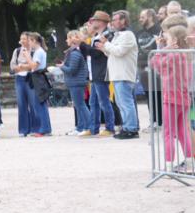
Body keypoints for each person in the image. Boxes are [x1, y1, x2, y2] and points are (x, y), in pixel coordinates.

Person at [150, 25, 193, 171]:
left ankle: (168, 165)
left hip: (172, 99)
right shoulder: (185, 55)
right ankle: (189, 162)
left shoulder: (173, 55)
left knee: (168, 133)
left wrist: (160, 49)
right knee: (183, 131)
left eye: (167, 39)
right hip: (184, 98)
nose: (165, 41)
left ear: (174, 40)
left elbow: (155, 64)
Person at [97, 10, 139, 139]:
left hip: (124, 74)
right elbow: (112, 53)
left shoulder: (128, 35)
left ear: (123, 21)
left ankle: (131, 129)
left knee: (126, 103)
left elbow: (119, 51)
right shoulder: (117, 35)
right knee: (121, 103)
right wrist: (104, 47)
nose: (112, 22)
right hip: (116, 74)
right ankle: (126, 127)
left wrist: (106, 44)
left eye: (115, 19)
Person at [78, 12, 117, 137]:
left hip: (102, 71)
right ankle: (93, 128)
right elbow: (90, 53)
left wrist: (82, 43)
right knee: (93, 102)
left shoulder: (107, 34)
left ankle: (110, 127)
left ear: (100, 22)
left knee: (104, 101)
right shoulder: (97, 35)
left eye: (94, 20)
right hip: (94, 72)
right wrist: (83, 44)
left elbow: (96, 53)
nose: (91, 23)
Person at [58, 30, 91, 136]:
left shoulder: (75, 54)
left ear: (73, 39)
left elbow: (72, 70)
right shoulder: (73, 53)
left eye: (68, 38)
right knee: (78, 105)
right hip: (75, 82)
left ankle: (89, 127)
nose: (66, 40)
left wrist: (61, 67)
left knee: (80, 105)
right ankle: (81, 127)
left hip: (77, 82)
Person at [26, 32, 53, 136]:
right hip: (36, 78)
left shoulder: (38, 52)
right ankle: (44, 128)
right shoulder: (38, 51)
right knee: (39, 104)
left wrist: (27, 56)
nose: (29, 43)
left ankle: (45, 129)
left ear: (34, 41)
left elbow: (34, 66)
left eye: (29, 41)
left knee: (40, 104)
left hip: (39, 78)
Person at [9, 32, 36, 137]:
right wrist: (22, 67)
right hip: (19, 78)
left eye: (25, 39)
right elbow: (12, 65)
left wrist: (22, 66)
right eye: (21, 39)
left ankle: (35, 128)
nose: (23, 41)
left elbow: (33, 65)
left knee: (32, 103)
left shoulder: (33, 51)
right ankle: (24, 129)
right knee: (21, 104)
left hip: (30, 78)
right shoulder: (17, 51)